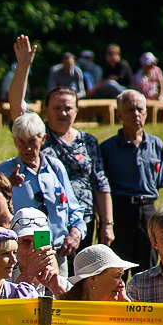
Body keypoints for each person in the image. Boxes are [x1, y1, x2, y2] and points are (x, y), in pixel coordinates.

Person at [10, 36, 113, 249]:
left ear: (77, 110)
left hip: (82, 221)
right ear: (46, 110)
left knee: (82, 279)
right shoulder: (38, 133)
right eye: (56, 108)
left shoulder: (88, 141)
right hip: (46, 224)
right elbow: (17, 105)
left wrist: (107, 224)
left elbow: (100, 182)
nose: (62, 113)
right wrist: (23, 67)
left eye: (68, 108)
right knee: (50, 274)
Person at [0, 112, 85, 274]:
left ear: (43, 139)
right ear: (14, 141)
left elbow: (74, 208)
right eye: (21, 142)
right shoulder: (4, 171)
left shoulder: (55, 167)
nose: (27, 148)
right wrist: (7, 187)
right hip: (21, 257)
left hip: (57, 253)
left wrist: (76, 232)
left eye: (32, 141)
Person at [99, 90, 163, 273]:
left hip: (147, 211)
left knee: (148, 268)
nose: (135, 115)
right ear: (119, 115)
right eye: (129, 110)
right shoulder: (107, 148)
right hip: (120, 212)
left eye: (140, 110)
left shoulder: (156, 145)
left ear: (146, 112)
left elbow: (159, 182)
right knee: (116, 269)